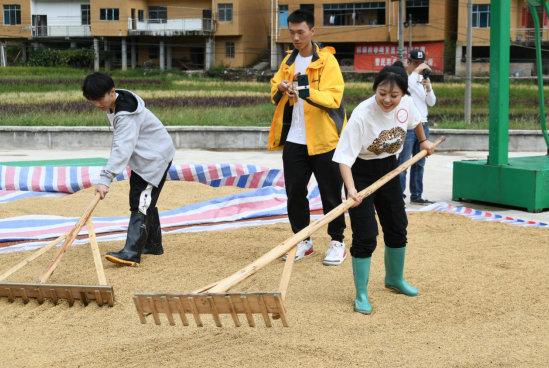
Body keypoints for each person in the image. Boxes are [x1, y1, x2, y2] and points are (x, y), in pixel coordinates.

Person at [332, 62, 435, 314]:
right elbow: (344, 158)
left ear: (403, 94)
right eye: (382, 93)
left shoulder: (407, 104)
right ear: (375, 89)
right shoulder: (362, 114)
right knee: (366, 234)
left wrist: (423, 141)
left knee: (397, 225)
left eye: (394, 95)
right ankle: (361, 294)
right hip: (360, 172)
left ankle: (394, 279)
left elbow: (416, 121)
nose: (387, 100)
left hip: (389, 168)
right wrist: (352, 191)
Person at [268, 9, 347, 266]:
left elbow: (333, 97)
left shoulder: (327, 61)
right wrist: (280, 87)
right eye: (291, 32)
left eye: (301, 32)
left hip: (324, 140)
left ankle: (337, 241)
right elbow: (274, 86)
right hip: (294, 139)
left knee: (331, 193)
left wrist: (305, 91)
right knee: (295, 193)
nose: (296, 37)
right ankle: (303, 239)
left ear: (312, 31)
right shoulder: (288, 61)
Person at [82, 72, 175, 267]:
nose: (98, 104)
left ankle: (132, 252)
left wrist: (106, 178)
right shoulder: (117, 102)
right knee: (142, 199)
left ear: (112, 92)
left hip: (154, 159)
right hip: (145, 157)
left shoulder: (126, 115)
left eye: (100, 99)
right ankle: (153, 244)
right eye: (93, 101)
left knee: (141, 202)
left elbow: (122, 148)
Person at [397, 49, 437, 205]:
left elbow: (431, 102)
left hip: (424, 124)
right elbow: (407, 85)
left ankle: (417, 195)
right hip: (409, 127)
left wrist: (428, 87)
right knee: (404, 162)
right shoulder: (405, 78)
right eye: (415, 63)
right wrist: (416, 71)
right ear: (409, 62)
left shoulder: (422, 79)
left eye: (421, 63)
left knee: (419, 162)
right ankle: (398, 195)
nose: (418, 66)